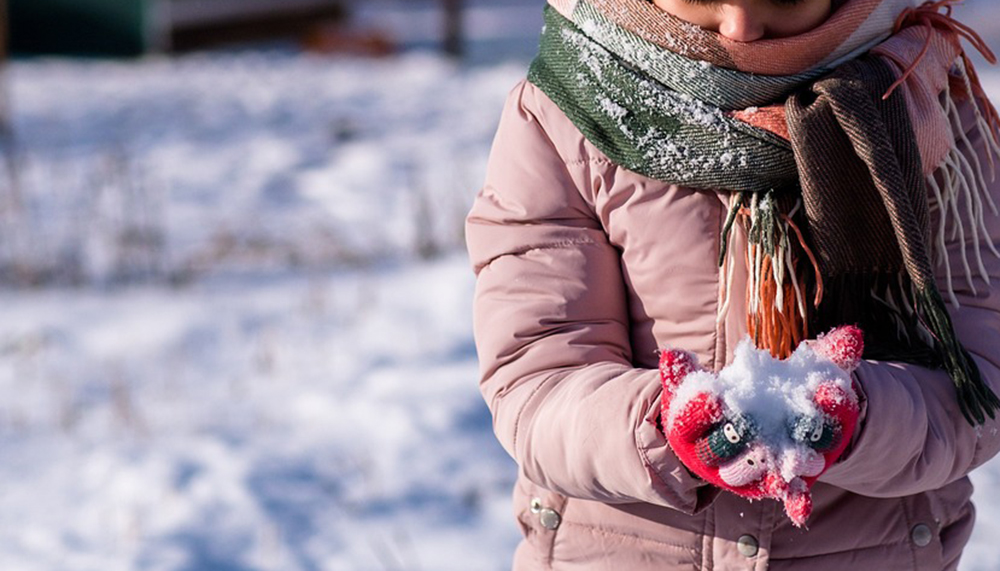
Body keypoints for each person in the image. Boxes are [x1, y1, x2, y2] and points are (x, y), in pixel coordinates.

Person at [465, 0, 1000, 568]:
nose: (740, 27)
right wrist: (659, 428)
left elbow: (981, 367)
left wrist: (865, 417)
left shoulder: (924, 99)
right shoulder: (565, 111)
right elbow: (537, 373)